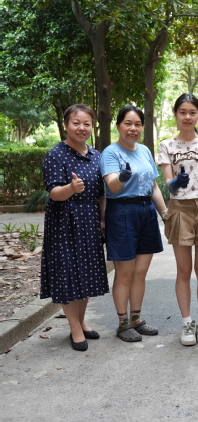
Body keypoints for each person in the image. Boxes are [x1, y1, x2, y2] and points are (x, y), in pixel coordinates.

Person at [40, 104, 109, 351]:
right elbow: (54, 193)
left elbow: (101, 194)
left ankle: (81, 321)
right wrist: (71, 188)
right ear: (66, 125)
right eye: (76, 123)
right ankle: (74, 328)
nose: (81, 128)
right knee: (68, 274)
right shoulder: (56, 155)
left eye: (86, 124)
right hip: (64, 221)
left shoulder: (97, 156)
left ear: (92, 126)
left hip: (89, 220)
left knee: (86, 273)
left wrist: (103, 220)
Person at [99, 105, 167, 342]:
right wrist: (122, 177)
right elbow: (112, 186)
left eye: (137, 124)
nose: (133, 128)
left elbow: (153, 186)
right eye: (128, 123)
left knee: (140, 271)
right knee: (124, 273)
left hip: (146, 211)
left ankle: (136, 319)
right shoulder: (110, 153)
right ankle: (123, 323)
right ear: (118, 125)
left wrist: (165, 214)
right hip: (122, 211)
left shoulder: (145, 150)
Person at [158, 94, 198, 346]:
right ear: (175, 114)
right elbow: (168, 183)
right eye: (182, 112)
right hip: (180, 207)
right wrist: (175, 183)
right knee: (184, 270)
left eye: (192, 112)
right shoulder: (167, 145)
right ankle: (186, 322)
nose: (188, 117)